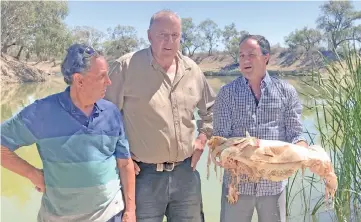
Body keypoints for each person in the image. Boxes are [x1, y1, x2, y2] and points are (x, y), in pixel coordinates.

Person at [1, 43, 136, 222]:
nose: (109, 82)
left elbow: (125, 164)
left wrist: (130, 211)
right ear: (79, 80)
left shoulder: (111, 112)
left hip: (111, 216)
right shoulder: (42, 112)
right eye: (102, 76)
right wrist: (32, 174)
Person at [105, 10, 216, 222]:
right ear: (149, 36)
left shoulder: (192, 69)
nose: (169, 41)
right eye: (162, 34)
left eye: (175, 35)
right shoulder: (126, 67)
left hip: (186, 173)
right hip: (143, 176)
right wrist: (120, 154)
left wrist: (203, 137)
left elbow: (211, 110)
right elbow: (103, 117)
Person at [213, 35, 309, 222]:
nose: (245, 60)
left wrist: (302, 148)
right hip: (237, 185)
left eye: (251, 54)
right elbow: (220, 139)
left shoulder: (286, 91)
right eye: (241, 55)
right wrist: (227, 155)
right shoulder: (227, 93)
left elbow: (295, 133)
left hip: (273, 185)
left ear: (266, 57)